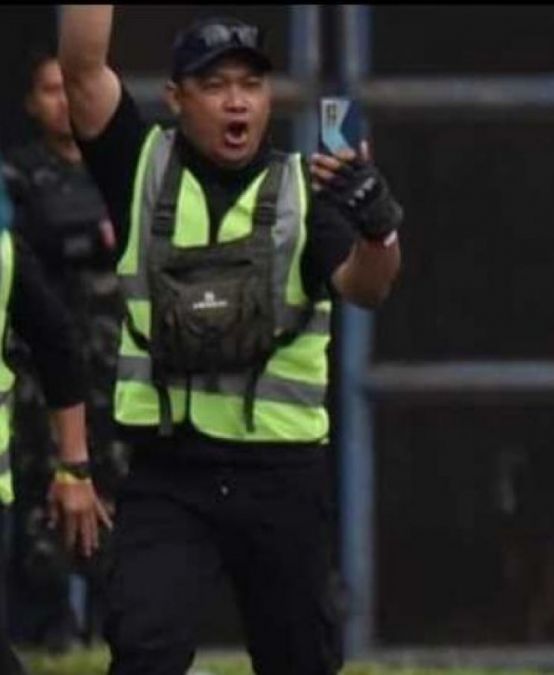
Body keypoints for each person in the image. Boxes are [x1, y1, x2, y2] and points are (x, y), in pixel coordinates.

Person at [58, 6, 402, 674]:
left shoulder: (307, 188)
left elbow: (367, 287)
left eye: (251, 83)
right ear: (177, 98)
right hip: (170, 473)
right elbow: (81, 72)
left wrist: (379, 230)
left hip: (281, 473)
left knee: (299, 657)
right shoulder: (140, 165)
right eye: (215, 85)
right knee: (144, 647)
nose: (236, 100)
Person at [2, 44, 125, 651]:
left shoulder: (119, 166)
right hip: (38, 371)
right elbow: (42, 239)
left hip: (113, 369)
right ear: (31, 103)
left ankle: (119, 631)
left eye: (67, 88)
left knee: (117, 498)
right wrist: (84, 233)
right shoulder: (18, 172)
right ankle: (47, 633)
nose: (61, 101)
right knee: (37, 497)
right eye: (48, 89)